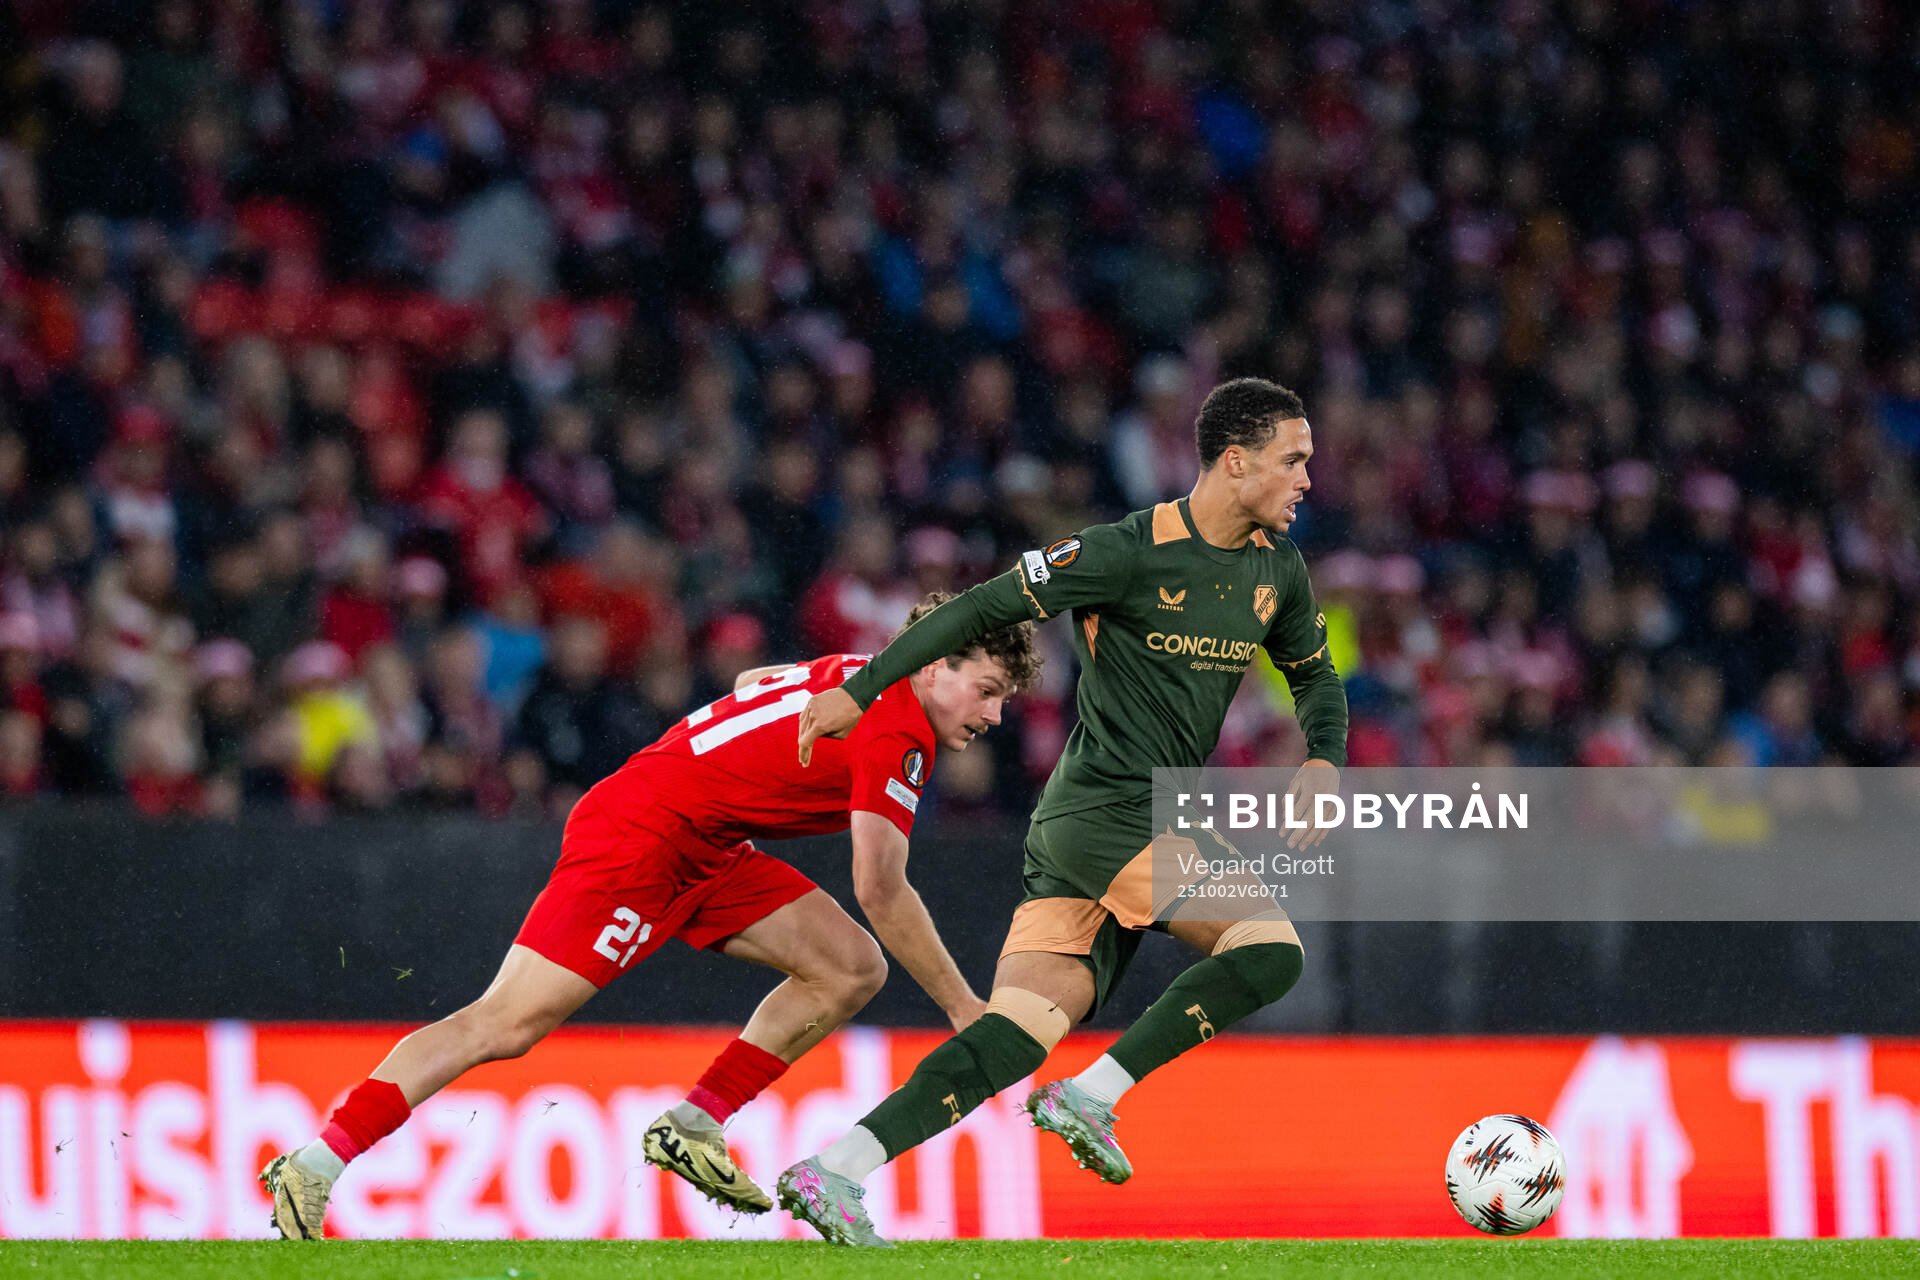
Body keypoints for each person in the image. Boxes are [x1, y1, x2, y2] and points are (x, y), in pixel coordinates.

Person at [259, 596, 1040, 1238]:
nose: (997, 715)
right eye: (988, 689)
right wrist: (961, 1006)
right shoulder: (897, 730)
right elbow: (882, 888)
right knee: (505, 1024)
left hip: (704, 837)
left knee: (850, 966)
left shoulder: (860, 674)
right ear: (934, 664)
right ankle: (316, 1162)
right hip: (645, 837)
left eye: (1004, 698)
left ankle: (694, 1125)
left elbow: (751, 681)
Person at [780, 378, 1348, 1246]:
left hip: (1094, 827)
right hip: (1111, 810)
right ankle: (1094, 1095)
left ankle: (835, 1170)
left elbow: (1314, 678)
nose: (1308, 478)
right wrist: (863, 691)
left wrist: (1322, 758)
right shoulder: (1126, 552)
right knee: (1268, 949)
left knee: (1018, 1033)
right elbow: (982, 605)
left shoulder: (1279, 569)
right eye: (1293, 460)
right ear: (1236, 462)